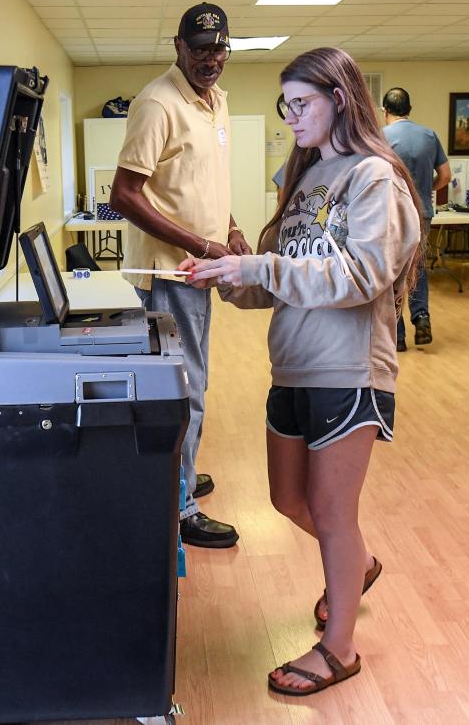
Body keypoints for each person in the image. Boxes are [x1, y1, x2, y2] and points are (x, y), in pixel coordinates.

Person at [180, 48, 422, 695]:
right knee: (288, 501)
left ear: (340, 98)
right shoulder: (308, 172)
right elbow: (287, 281)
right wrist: (229, 277)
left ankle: (339, 648)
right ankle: (358, 564)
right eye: (286, 104)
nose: (290, 117)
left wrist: (258, 267)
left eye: (300, 103)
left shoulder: (374, 178)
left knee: (332, 511)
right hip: (292, 365)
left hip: (349, 371)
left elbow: (363, 275)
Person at [109, 2, 250, 548]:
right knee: (185, 390)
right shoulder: (157, 103)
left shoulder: (216, 102)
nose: (211, 59)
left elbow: (203, 183)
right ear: (178, 47)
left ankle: (184, 476)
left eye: (220, 49)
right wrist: (201, 243)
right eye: (200, 50)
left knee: (193, 382)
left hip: (200, 268)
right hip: (172, 274)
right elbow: (124, 195)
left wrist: (230, 228)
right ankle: (180, 506)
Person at [382, 87, 450, 351]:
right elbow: (445, 176)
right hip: (421, 214)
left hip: (391, 214)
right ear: (410, 109)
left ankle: (397, 335)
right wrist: (423, 190)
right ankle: (421, 318)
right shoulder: (429, 135)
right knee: (417, 267)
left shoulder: (379, 138)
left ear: (385, 110)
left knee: (392, 271)